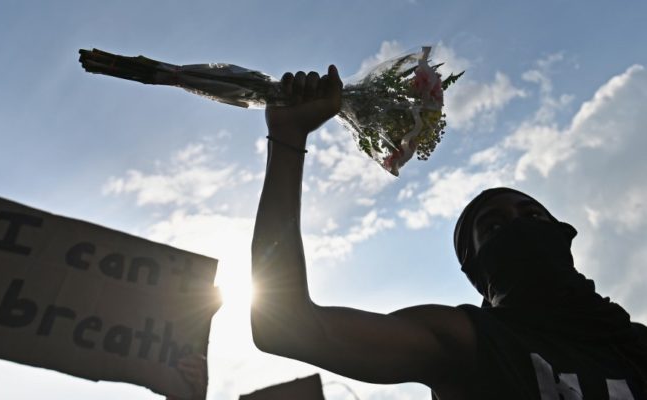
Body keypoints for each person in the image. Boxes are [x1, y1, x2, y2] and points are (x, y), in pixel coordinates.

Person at [250, 65, 647, 399]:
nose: (521, 226)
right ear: (477, 271)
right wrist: (289, 137)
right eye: (494, 227)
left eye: (533, 215)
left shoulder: (635, 344)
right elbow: (285, 326)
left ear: (565, 235)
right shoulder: (468, 343)